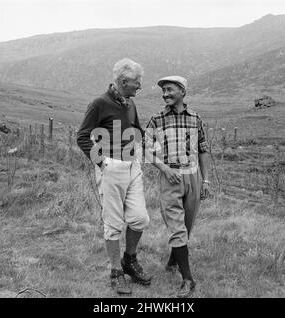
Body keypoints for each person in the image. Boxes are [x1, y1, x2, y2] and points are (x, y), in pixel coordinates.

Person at [77, 58, 151, 295]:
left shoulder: (130, 104)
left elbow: (136, 129)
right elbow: (83, 136)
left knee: (140, 219)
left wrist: (145, 145)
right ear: (123, 81)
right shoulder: (99, 103)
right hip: (111, 168)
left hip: (133, 167)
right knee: (113, 223)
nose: (139, 87)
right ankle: (115, 272)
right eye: (136, 83)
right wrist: (101, 162)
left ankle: (129, 261)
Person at [144, 76, 210, 298]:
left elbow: (202, 150)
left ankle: (173, 260)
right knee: (177, 227)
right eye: (163, 91)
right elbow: (145, 150)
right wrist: (164, 169)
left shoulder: (195, 119)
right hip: (170, 180)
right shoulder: (157, 119)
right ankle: (188, 279)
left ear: (182, 91)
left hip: (193, 178)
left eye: (169, 90)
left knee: (187, 227)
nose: (165, 94)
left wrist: (205, 180)